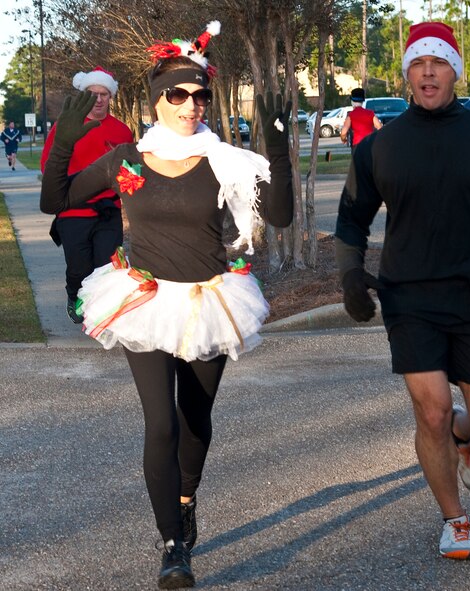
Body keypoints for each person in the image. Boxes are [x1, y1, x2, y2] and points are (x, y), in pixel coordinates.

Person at [40, 21, 293, 589]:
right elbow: (53, 199)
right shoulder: (128, 158)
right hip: (145, 299)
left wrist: (274, 149)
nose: (190, 104)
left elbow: (277, 217)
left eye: (199, 94)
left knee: (195, 419)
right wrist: (63, 139)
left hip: (209, 299)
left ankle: (186, 496)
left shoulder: (224, 160)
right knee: (160, 424)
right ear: (157, 100)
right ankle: (173, 545)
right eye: (177, 94)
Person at [335, 22, 470, 561]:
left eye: (439, 62)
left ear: (454, 72)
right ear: (407, 75)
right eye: (418, 63)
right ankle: (456, 521)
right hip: (410, 297)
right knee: (431, 412)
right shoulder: (380, 147)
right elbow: (351, 219)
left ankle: (466, 438)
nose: (428, 71)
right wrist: (351, 274)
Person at [41, 67, 134, 323]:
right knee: (79, 269)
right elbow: (48, 165)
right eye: (93, 93)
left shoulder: (122, 131)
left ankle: (100, 316)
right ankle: (74, 295)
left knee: (107, 267)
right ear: (84, 95)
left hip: (108, 210)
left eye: (104, 93)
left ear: (110, 97)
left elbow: (130, 170)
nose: (99, 99)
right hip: (73, 210)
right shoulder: (66, 127)